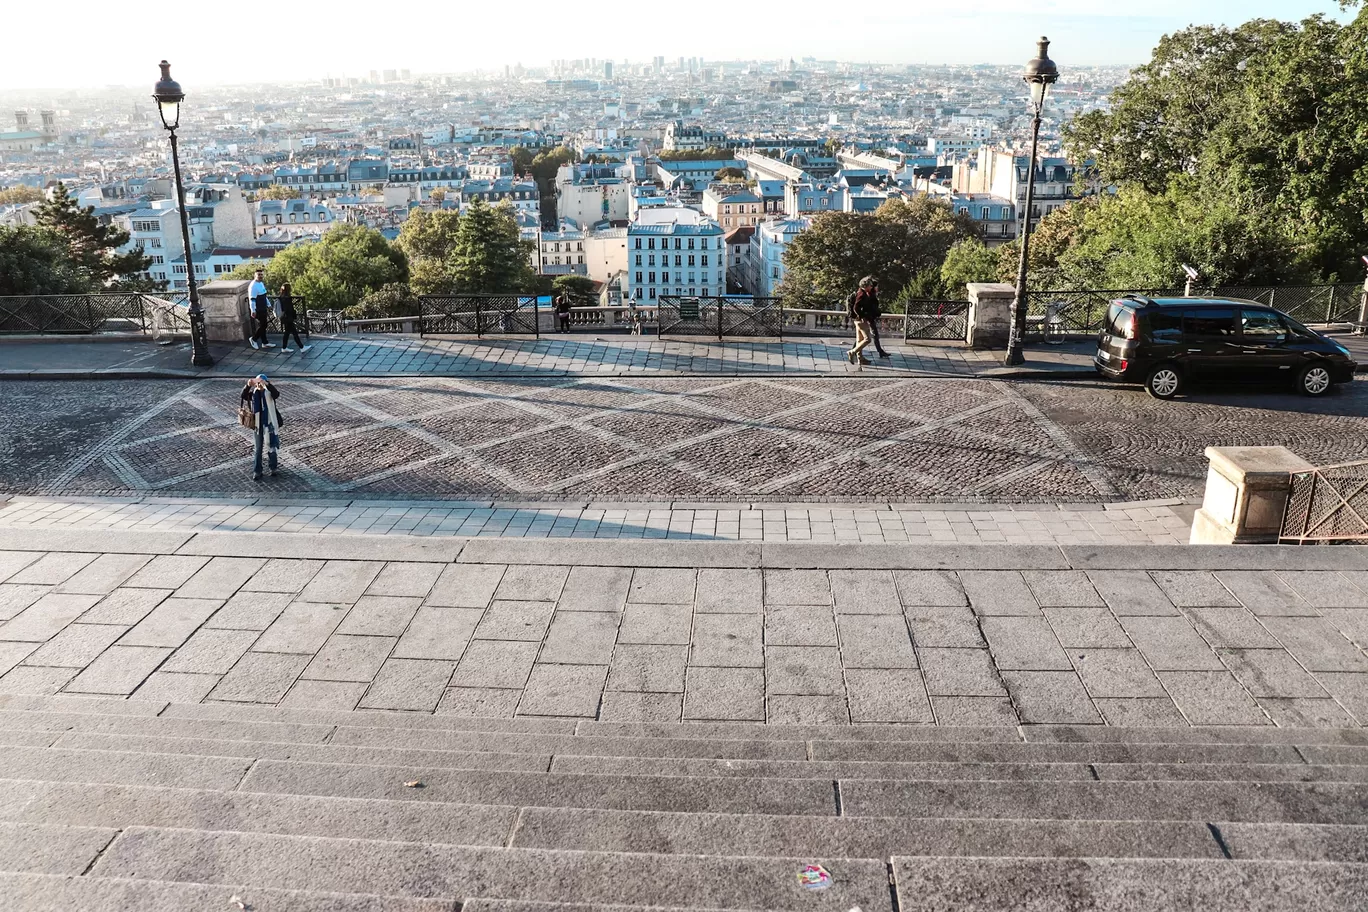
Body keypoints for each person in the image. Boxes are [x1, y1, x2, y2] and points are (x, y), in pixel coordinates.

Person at [240, 373, 283, 480]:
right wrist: (248, 385)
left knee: (271, 445)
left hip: (270, 423)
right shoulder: (254, 393)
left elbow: (276, 394)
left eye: (260, 383)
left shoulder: (270, 393)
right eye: (257, 383)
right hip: (258, 424)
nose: (258, 385)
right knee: (258, 449)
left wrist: (267, 384)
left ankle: (273, 468)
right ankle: (257, 471)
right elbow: (243, 396)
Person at [846, 276, 880, 366]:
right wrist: (861, 316)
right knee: (867, 339)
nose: (872, 287)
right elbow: (856, 307)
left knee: (859, 340)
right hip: (860, 320)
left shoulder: (860, 292)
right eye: (870, 285)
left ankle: (860, 358)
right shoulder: (862, 294)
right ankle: (852, 352)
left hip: (856, 320)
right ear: (866, 286)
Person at [277, 282, 310, 353]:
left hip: (284, 318)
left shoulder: (281, 297)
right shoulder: (287, 298)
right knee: (294, 333)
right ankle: (301, 347)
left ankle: (284, 347)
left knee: (287, 332)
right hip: (288, 318)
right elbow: (288, 309)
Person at [247, 269, 274, 350]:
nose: (260, 276)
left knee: (263, 325)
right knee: (263, 325)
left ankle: (265, 342)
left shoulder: (261, 283)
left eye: (261, 274)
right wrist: (253, 310)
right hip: (258, 309)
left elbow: (264, 296)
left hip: (263, 307)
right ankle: (254, 339)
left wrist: (268, 304)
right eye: (259, 275)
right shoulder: (253, 286)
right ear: (255, 275)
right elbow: (252, 299)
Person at [865, 278, 891, 358]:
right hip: (870, 318)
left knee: (869, 336)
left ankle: (880, 351)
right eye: (876, 286)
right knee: (871, 336)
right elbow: (872, 307)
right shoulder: (871, 296)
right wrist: (877, 312)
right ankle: (854, 350)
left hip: (870, 318)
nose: (878, 288)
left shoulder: (871, 295)